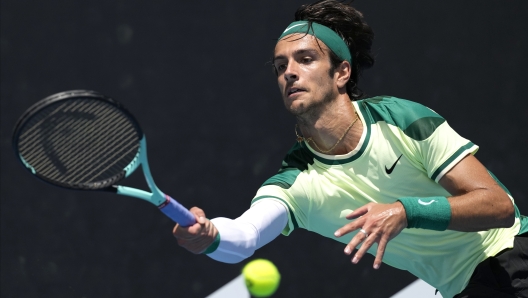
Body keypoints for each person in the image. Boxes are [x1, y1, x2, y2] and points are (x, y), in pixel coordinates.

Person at [172, 1, 528, 297]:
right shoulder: (297, 181)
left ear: (342, 73)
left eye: (305, 59)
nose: (289, 73)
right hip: (463, 290)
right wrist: (210, 236)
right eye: (281, 66)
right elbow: (246, 235)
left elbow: (499, 207)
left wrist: (406, 212)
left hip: (513, 258)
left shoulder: (400, 118)